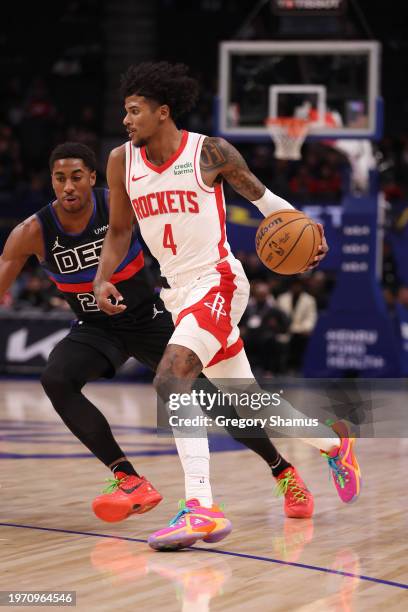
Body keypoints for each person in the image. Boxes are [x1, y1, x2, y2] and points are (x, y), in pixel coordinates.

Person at [93, 62, 361, 551]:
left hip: (217, 280)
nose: (126, 120)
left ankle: (201, 507)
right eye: (124, 112)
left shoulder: (209, 151)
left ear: (163, 111)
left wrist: (306, 227)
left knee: (172, 377)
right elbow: (118, 231)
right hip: (176, 292)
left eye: (134, 111)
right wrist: (101, 277)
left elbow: (263, 199)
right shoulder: (120, 162)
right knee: (251, 402)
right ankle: (334, 443)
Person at [0, 142, 311, 525]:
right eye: (60, 178)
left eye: (76, 177)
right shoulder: (32, 232)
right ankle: (127, 477)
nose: (68, 187)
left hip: (150, 317)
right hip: (97, 327)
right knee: (56, 379)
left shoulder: (118, 202)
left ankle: (282, 470)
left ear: (92, 178)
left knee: (216, 403)